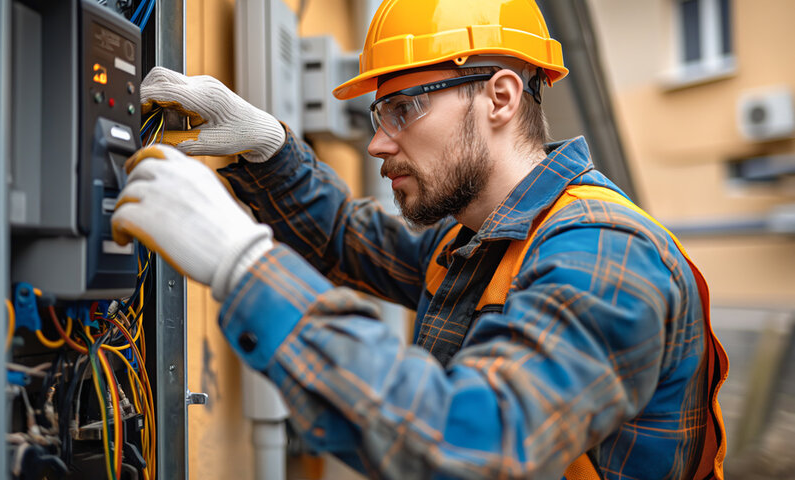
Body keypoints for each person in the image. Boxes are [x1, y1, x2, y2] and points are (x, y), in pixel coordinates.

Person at [111, 0, 728, 478]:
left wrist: (245, 266)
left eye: (403, 109)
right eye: (380, 117)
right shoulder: (485, 242)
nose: (378, 142)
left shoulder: (601, 253)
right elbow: (347, 238)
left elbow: (478, 447)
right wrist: (268, 148)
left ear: (501, 97)